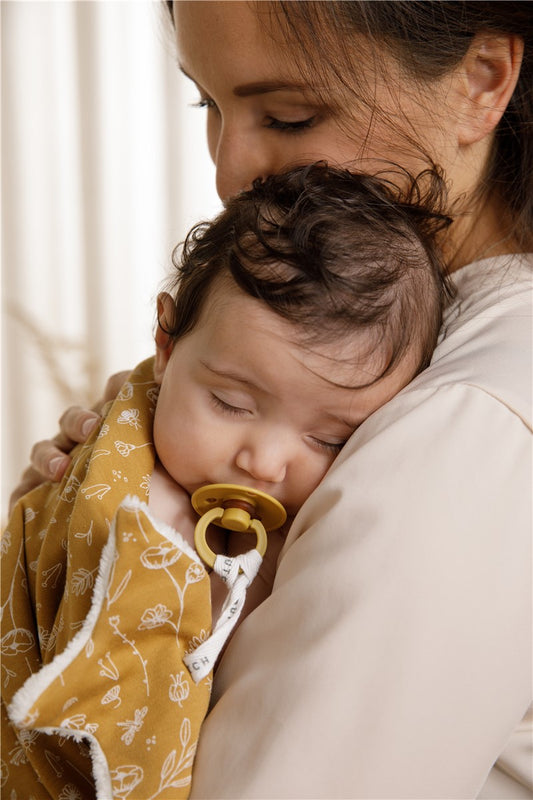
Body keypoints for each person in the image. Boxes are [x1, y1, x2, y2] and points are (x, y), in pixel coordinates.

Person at [7, 2, 532, 798]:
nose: (227, 171)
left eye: (289, 114)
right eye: (208, 105)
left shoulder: (471, 417)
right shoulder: (406, 346)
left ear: (481, 82)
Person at [1, 163, 453, 799]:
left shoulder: (333, 539)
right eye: (233, 404)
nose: (264, 463)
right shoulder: (140, 512)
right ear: (165, 343)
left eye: (330, 440)